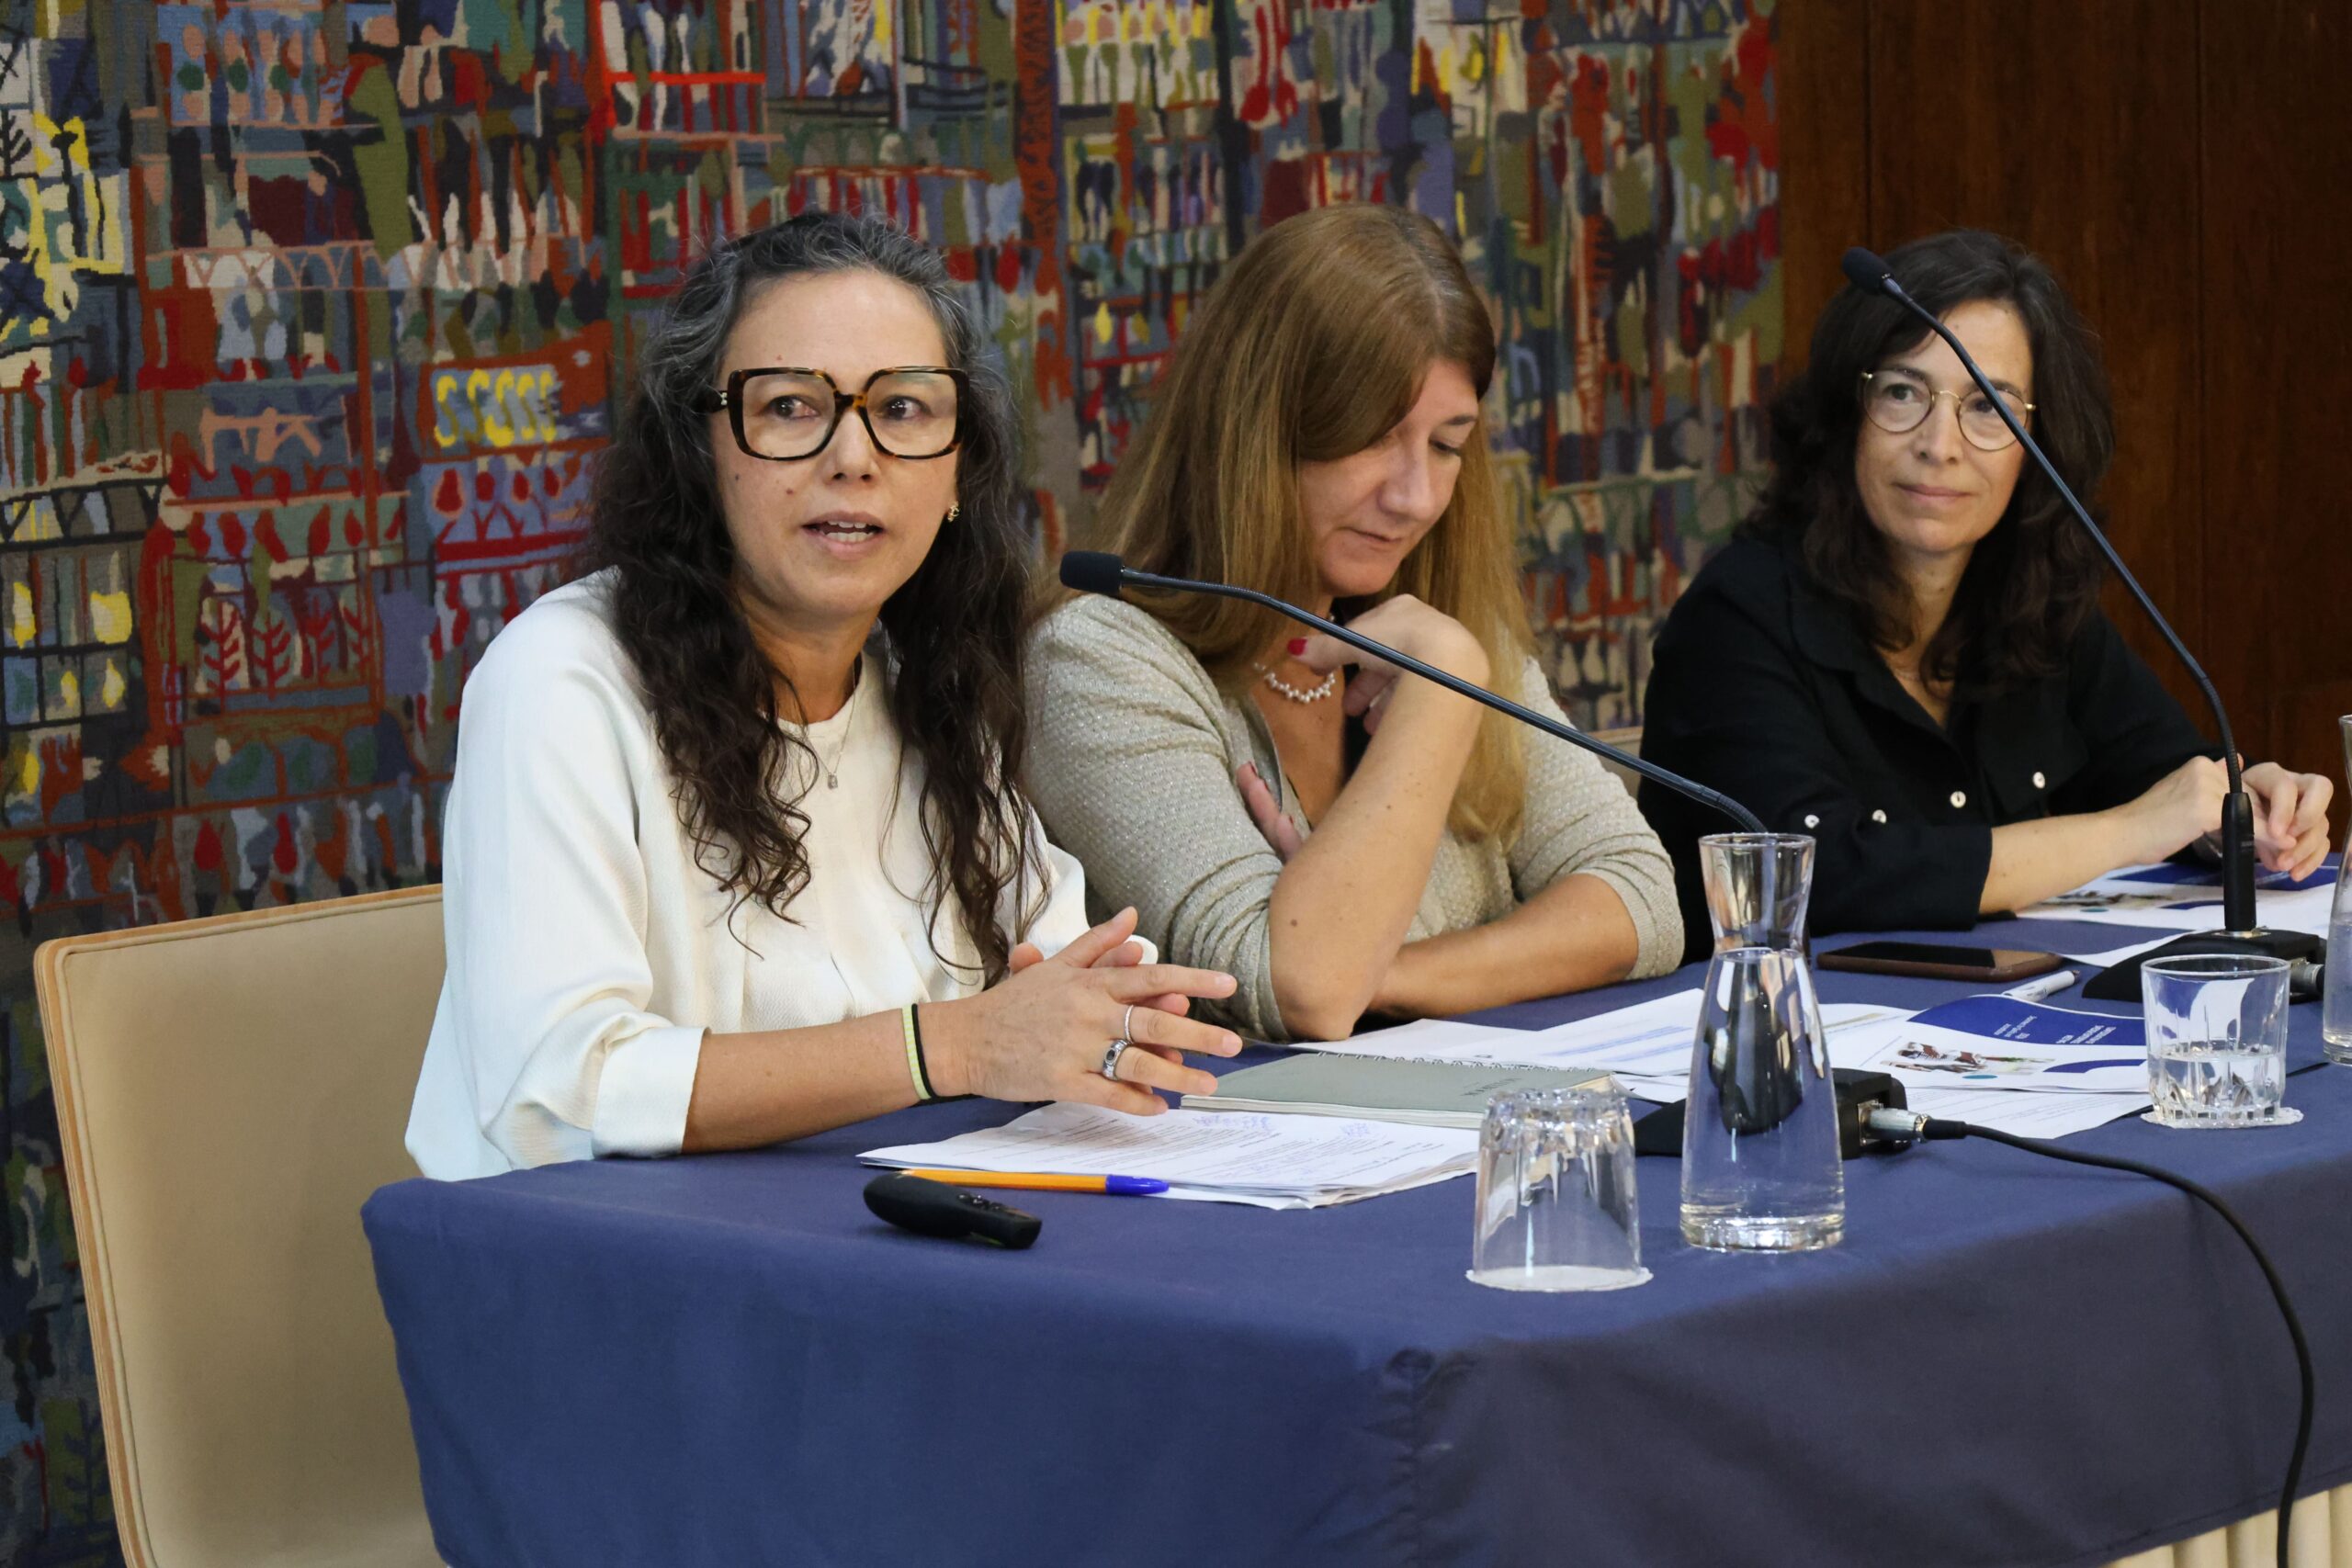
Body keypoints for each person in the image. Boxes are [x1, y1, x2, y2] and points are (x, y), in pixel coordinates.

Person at [407, 213, 1240, 1180]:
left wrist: (1109, 1016)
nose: (853, 456)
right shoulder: (560, 680)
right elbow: (557, 1094)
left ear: (958, 471)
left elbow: (1051, 981)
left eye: (904, 408)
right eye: (792, 407)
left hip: (889, 1231)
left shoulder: (930, 686)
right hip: (596, 1253)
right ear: (699, 452)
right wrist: (949, 1046)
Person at [1025, 204, 1683, 1044]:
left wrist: (1384, 969)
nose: (1415, 497)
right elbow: (1297, 989)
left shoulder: (1447, 632)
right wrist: (1439, 696)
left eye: (1447, 445)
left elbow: (1642, 901)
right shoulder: (1096, 660)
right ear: (1255, 429)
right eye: (1373, 439)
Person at [1638, 229, 2332, 957]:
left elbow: (2169, 779)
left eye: (1987, 407)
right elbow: (1819, 876)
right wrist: (2131, 829)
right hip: (1779, 1016)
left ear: (2037, 445)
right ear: (1846, 414)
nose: (1940, 445)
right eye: (1902, 393)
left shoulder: (2037, 602)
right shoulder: (1736, 616)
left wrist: (2243, 812)